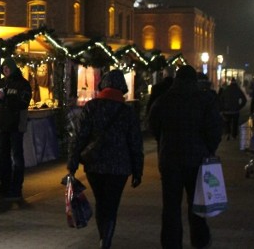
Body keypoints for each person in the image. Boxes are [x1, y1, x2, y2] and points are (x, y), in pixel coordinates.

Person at [66, 69, 144, 249]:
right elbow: (135, 143)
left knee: (101, 201)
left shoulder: (92, 107)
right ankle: (106, 239)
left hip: (95, 165)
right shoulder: (127, 112)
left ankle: (104, 237)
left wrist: (72, 163)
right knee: (112, 203)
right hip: (120, 167)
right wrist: (137, 170)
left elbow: (79, 137)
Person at [148, 65, 222, 249]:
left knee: (171, 206)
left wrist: (164, 142)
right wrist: (208, 149)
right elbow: (215, 129)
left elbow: (153, 126)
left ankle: (171, 243)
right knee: (197, 203)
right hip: (197, 161)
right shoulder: (205, 100)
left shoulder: (164, 100)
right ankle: (199, 240)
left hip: (170, 160)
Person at [0, 57, 32, 201]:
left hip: (15, 125)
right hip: (2, 125)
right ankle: (4, 184)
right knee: (3, 156)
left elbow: (23, 103)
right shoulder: (1, 82)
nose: (5, 70)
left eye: (8, 68)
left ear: (13, 68)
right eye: (4, 68)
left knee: (17, 157)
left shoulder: (23, 84)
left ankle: (16, 188)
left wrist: (5, 97)